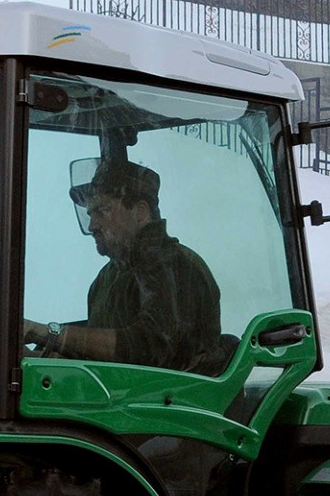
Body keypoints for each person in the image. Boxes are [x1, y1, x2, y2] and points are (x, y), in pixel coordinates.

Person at [22, 159, 223, 373]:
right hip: (119, 399)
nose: (92, 226)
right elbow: (101, 362)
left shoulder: (176, 266)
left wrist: (48, 333)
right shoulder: (108, 276)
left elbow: (147, 350)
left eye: (102, 210)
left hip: (167, 402)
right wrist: (34, 358)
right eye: (90, 214)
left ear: (140, 212)